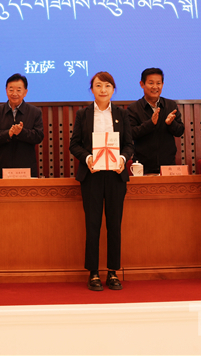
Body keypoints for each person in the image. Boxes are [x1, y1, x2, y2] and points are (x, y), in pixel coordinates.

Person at [68, 72, 133, 291]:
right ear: (92, 89)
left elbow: (129, 144)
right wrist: (88, 158)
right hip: (92, 176)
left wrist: (122, 159)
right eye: (98, 85)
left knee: (114, 225)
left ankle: (113, 272)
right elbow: (74, 144)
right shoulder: (83, 114)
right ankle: (93, 272)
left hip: (115, 176)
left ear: (113, 89)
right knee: (92, 224)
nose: (103, 90)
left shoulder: (122, 114)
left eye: (107, 86)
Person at [0, 73, 44, 178]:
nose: (14, 93)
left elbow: (39, 136)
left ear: (25, 92)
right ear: (6, 90)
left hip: (26, 169)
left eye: (19, 90)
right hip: (1, 168)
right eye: (11, 90)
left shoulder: (35, 112)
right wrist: (9, 133)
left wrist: (21, 132)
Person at [126, 68, 185, 174]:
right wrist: (150, 123)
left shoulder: (170, 105)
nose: (155, 87)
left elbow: (180, 131)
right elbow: (131, 134)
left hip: (168, 165)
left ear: (162, 84)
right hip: (143, 166)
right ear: (142, 84)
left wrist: (171, 123)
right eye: (151, 83)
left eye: (158, 83)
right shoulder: (134, 108)